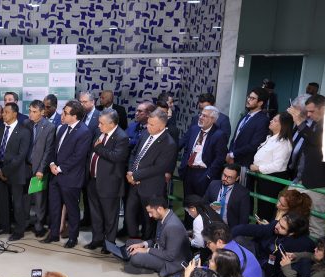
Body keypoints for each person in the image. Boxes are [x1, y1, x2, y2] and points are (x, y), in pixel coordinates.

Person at [42, 100, 92, 248]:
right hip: (55, 175)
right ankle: (53, 234)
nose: (62, 115)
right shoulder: (62, 128)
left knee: (72, 209)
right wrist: (51, 164)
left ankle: (72, 237)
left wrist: (60, 168)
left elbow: (79, 156)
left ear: (74, 116)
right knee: (54, 207)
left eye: (65, 113)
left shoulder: (84, 132)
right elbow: (53, 149)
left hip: (71, 177)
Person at [124, 108, 178, 240]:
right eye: (148, 123)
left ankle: (146, 245)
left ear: (162, 126)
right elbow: (134, 153)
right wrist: (131, 171)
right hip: (134, 185)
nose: (148, 126)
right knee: (129, 215)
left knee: (148, 220)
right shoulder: (145, 134)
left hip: (151, 188)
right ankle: (133, 242)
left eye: (152, 124)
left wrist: (135, 176)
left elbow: (158, 168)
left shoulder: (169, 143)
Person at [286, 94, 325, 239]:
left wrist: (299, 121)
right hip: (304, 180)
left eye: (312, 111)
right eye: (307, 112)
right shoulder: (315, 123)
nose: (309, 115)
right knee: (289, 211)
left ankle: (316, 256)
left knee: (315, 222)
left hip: (320, 183)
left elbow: (315, 140)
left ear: (323, 108)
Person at [85, 108, 130, 253]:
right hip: (93, 180)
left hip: (110, 183)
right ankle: (96, 239)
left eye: (101, 123)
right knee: (95, 213)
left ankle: (108, 243)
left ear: (112, 124)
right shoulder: (100, 132)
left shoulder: (121, 137)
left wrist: (99, 148)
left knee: (110, 216)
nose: (98, 125)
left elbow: (116, 157)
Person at [232, 211, 316, 277]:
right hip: (257, 253)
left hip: (267, 270)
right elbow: (248, 229)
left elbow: (276, 269)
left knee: (251, 276)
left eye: (282, 227)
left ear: (292, 233)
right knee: (238, 240)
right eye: (279, 222)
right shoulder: (275, 226)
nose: (277, 226)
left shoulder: (296, 244)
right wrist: (227, 236)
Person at [0, 103, 32, 241]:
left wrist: (5, 171)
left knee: (17, 203)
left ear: (15, 114)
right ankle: (4, 226)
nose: (3, 115)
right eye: (3, 112)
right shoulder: (0, 129)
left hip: (16, 172)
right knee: (2, 201)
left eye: (6, 112)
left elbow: (21, 156)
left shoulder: (24, 131)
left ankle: (19, 230)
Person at [125, 196, 191, 277]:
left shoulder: (173, 226)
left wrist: (147, 250)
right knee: (130, 243)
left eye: (151, 212)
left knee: (136, 258)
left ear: (159, 209)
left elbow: (170, 256)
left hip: (170, 262)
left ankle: (141, 263)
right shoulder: (162, 218)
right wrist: (142, 244)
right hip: (160, 250)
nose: (149, 215)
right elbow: (157, 239)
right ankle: (139, 261)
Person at [250, 112, 293, 221]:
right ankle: (259, 231)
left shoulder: (283, 143)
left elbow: (278, 165)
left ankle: (264, 233)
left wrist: (258, 168)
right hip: (264, 178)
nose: (271, 121)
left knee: (266, 209)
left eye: (274, 120)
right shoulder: (272, 137)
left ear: (283, 125)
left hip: (271, 179)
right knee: (261, 207)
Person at [178, 105, 228, 198]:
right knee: (187, 204)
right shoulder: (194, 129)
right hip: (188, 172)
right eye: (201, 114)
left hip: (204, 174)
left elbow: (220, 158)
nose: (200, 117)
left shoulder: (219, 135)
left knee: (201, 205)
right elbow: (187, 149)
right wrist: (183, 165)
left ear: (213, 119)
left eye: (204, 116)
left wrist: (208, 175)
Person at [226, 88, 270, 183]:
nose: (248, 100)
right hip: (233, 160)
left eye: (252, 98)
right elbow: (235, 138)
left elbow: (254, 144)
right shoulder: (245, 116)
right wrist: (230, 154)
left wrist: (233, 154)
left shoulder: (262, 120)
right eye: (249, 97)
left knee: (241, 192)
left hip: (245, 163)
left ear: (260, 103)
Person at [27, 100, 57, 238]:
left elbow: (48, 151)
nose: (31, 114)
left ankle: (39, 226)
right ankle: (27, 222)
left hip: (39, 169)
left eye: (34, 112)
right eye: (30, 111)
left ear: (42, 112)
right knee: (25, 198)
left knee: (39, 199)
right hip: (26, 167)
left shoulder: (49, 127)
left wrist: (41, 169)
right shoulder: (26, 124)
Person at [204, 164, 250, 228]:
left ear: (237, 178)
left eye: (229, 177)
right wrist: (210, 206)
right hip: (212, 225)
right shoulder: (213, 184)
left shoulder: (243, 193)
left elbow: (244, 218)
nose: (225, 179)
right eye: (224, 175)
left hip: (230, 228)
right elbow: (203, 203)